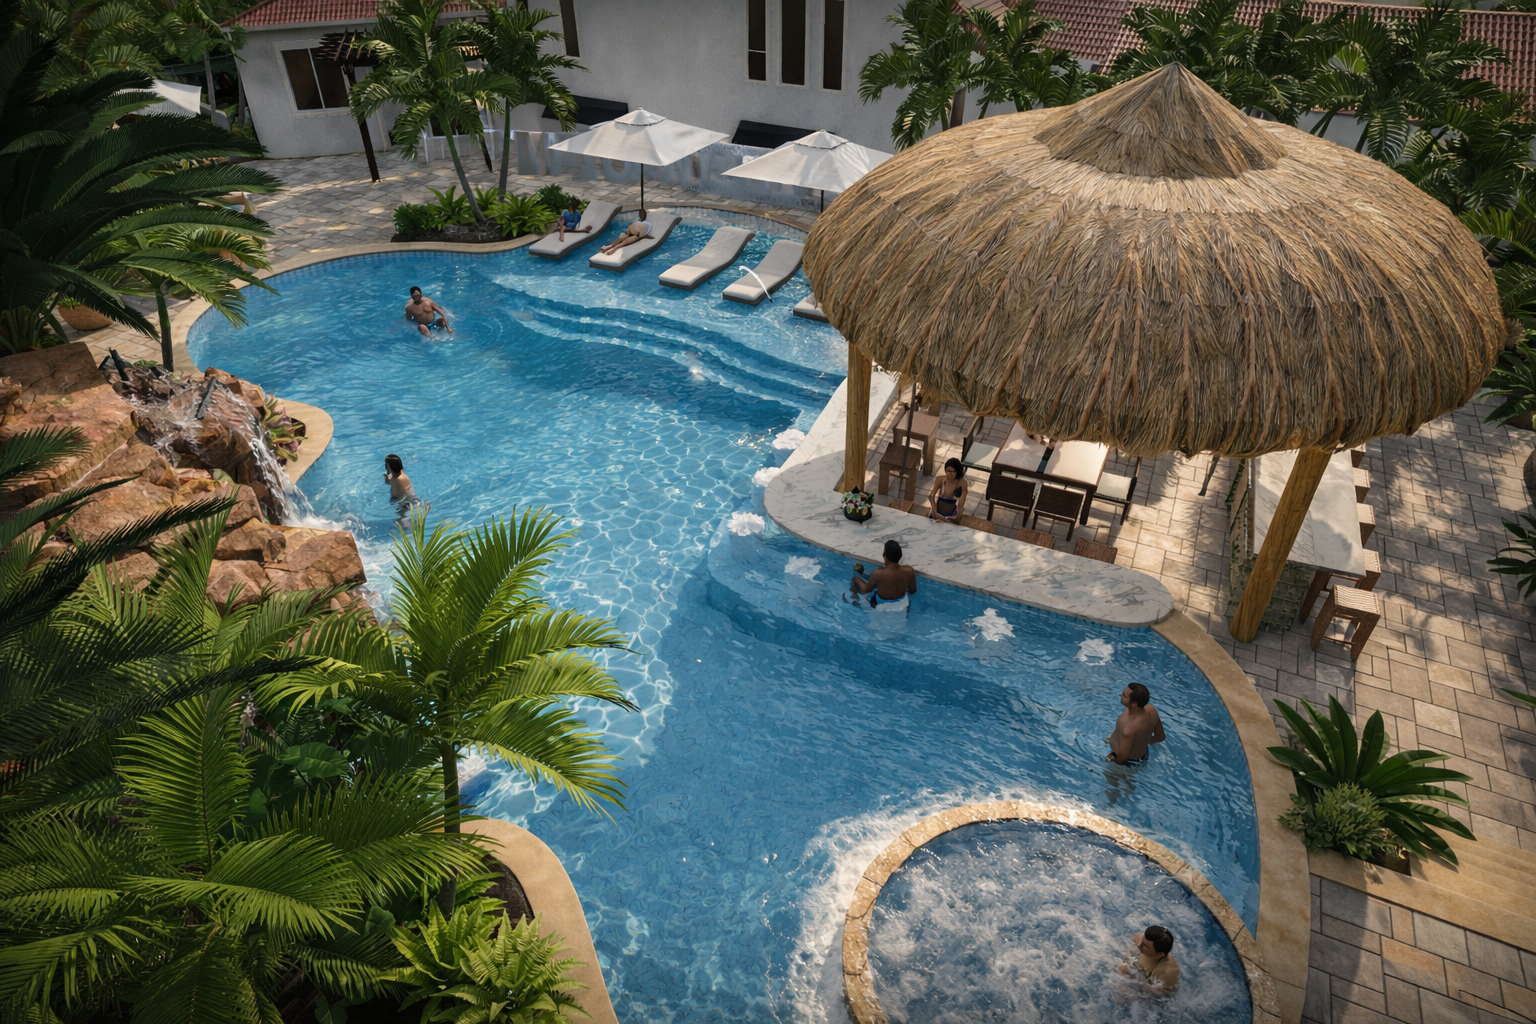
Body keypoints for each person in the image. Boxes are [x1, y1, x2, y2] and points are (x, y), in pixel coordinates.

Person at [1105, 683, 1165, 765]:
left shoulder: (1129, 729)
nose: (1120, 695)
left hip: (1127, 762)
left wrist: (1112, 763)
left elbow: (1122, 757)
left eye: (1124, 695)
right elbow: (1160, 737)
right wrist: (1143, 742)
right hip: (1143, 755)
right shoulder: (1151, 710)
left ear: (1134, 704)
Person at [848, 539, 917, 609]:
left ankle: (855, 599)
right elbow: (912, 590)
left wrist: (856, 579)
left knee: (855, 579)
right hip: (901, 603)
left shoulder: (878, 573)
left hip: (880, 604)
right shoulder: (909, 570)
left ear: (884, 555)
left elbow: (866, 591)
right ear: (900, 556)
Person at [1117, 925, 1181, 995]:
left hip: (1149, 988)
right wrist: (1127, 961)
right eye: (1142, 940)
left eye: (1144, 945)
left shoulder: (1168, 972)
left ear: (1160, 954)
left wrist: (1135, 977)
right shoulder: (1148, 940)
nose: (1139, 945)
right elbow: (1131, 945)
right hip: (1140, 971)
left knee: (1121, 993)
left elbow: (1161, 996)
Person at [384, 453, 425, 527]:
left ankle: (409, 529)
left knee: (402, 519)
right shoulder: (396, 475)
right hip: (405, 498)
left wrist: (394, 500)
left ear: (391, 467)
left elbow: (402, 494)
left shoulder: (399, 479)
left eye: (387, 465)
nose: (386, 467)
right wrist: (388, 480)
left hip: (405, 501)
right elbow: (392, 481)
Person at [927, 457, 968, 523]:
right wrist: (934, 511)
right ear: (945, 470)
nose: (951, 474)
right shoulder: (940, 479)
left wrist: (957, 516)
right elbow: (931, 496)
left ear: (957, 472)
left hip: (952, 513)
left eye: (953, 471)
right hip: (938, 511)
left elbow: (961, 503)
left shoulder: (962, 483)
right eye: (948, 471)